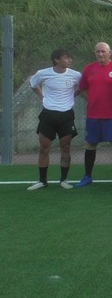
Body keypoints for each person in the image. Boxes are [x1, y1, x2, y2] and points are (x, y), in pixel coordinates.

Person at [27, 49, 82, 191]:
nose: (70, 60)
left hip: (66, 116)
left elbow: (80, 89)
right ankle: (42, 181)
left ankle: (64, 180)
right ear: (57, 60)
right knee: (44, 147)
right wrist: (43, 97)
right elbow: (33, 85)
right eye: (66, 58)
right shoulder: (43, 73)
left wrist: (71, 96)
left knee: (65, 147)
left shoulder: (76, 75)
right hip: (48, 115)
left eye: (70, 58)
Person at [76, 42, 112, 188]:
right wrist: (93, 100)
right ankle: (87, 176)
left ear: (110, 52)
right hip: (93, 115)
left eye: (103, 51)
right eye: (98, 52)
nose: (100, 54)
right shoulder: (89, 69)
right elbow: (83, 89)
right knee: (90, 144)